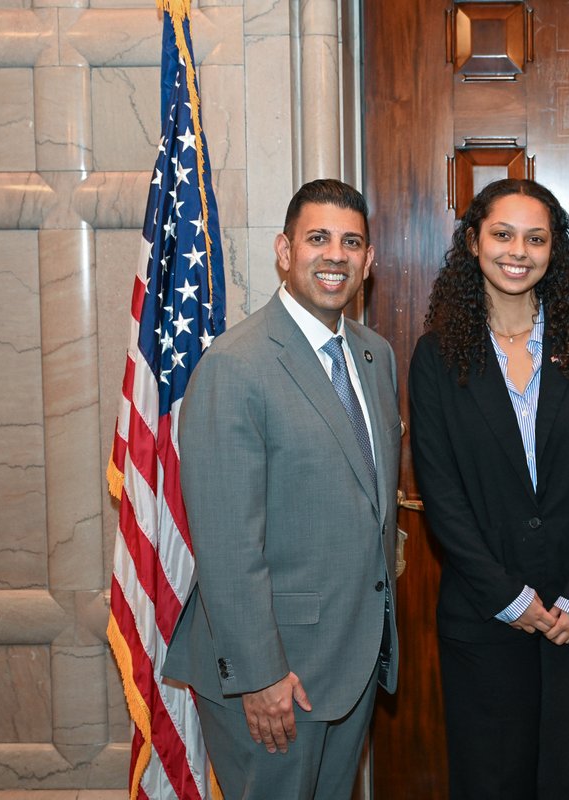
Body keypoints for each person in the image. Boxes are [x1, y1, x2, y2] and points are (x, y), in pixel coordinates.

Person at [163, 179, 401, 799]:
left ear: (369, 261)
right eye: (317, 238)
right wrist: (260, 676)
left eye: (352, 242)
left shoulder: (375, 357)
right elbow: (227, 544)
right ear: (284, 250)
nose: (335, 255)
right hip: (276, 677)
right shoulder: (234, 365)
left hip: (349, 664)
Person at [409, 178, 569, 799]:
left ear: (553, 250)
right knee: (492, 781)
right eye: (503, 234)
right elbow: (442, 492)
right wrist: (509, 597)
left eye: (536, 238)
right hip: (487, 617)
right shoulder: (437, 356)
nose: (519, 251)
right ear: (473, 242)